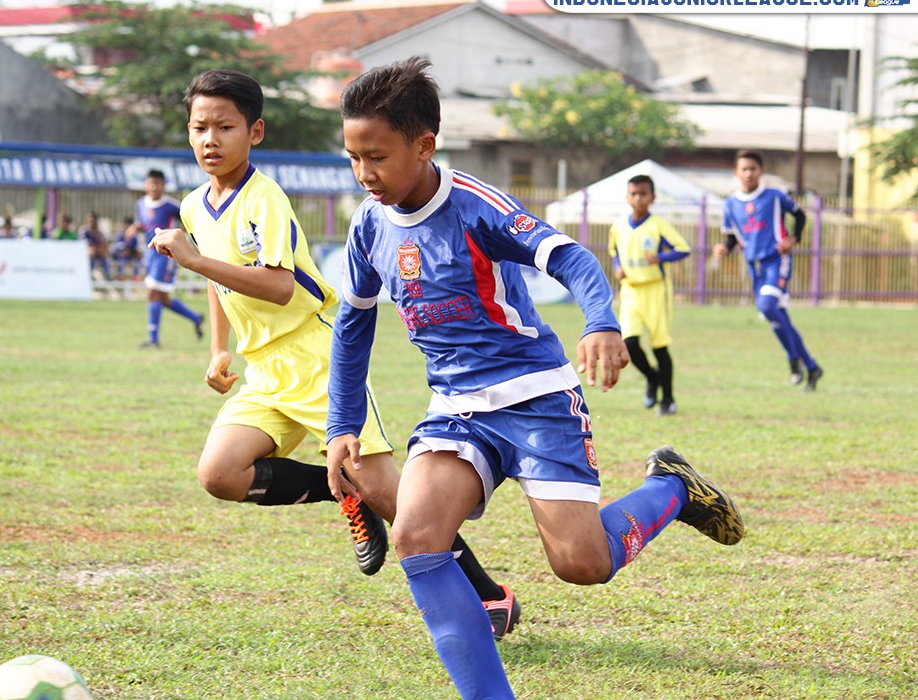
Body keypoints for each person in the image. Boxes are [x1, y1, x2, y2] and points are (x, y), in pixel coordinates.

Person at [326, 57, 745, 698]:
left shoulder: (475, 207)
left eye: (376, 157)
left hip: (537, 398)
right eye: (354, 157)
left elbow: (570, 257)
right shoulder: (367, 226)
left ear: (424, 145)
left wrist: (601, 321)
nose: (364, 174)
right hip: (456, 408)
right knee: (416, 535)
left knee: (581, 564)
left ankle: (672, 490)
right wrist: (341, 425)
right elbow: (352, 325)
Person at [147, 68, 520, 638]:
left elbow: (277, 285)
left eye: (225, 126)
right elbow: (219, 283)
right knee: (220, 473)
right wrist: (220, 350)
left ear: (256, 132)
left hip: (316, 359)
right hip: (264, 370)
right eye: (200, 127)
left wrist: (192, 261)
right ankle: (344, 493)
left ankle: (491, 595)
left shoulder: (262, 198)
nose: (210, 140)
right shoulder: (195, 206)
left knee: (397, 499)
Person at [713, 149, 824, 391]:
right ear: (736, 172)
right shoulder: (731, 203)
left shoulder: (774, 196)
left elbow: (800, 215)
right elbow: (731, 236)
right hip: (754, 266)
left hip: (777, 260)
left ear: (760, 171)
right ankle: (811, 366)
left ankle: (793, 359)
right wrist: (725, 248)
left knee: (767, 307)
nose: (749, 173)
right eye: (744, 169)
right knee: (777, 317)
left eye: (753, 168)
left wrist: (792, 239)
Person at [607, 175, 690, 415]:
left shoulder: (658, 225)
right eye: (634, 194)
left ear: (652, 197)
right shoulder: (618, 227)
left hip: (656, 290)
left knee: (659, 347)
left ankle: (668, 399)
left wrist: (661, 257)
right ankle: (652, 379)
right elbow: (615, 253)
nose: (638, 198)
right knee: (629, 342)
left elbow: (683, 249)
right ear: (627, 197)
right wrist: (617, 267)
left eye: (643, 193)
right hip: (631, 290)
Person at [137, 169, 204, 348]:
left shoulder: (171, 206)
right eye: (150, 183)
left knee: (152, 293)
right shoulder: (141, 204)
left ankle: (153, 339)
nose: (153, 187)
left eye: (157, 183)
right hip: (150, 255)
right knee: (163, 299)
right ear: (145, 184)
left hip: (164, 256)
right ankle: (196, 318)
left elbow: (189, 221)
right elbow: (145, 225)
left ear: (163, 186)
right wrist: (134, 229)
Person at [81, 211, 111, 279]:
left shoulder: (99, 232)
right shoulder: (84, 230)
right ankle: (89, 277)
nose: (91, 223)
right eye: (90, 221)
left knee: (105, 255)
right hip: (87, 253)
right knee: (91, 253)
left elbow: (104, 243)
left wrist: (101, 247)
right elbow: (83, 244)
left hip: (98, 253)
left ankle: (107, 277)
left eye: (93, 221)